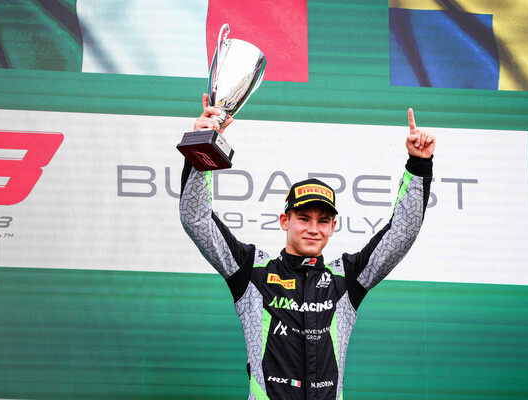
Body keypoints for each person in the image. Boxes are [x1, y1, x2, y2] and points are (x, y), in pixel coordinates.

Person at [179, 94, 435, 400]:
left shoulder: (347, 278)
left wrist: (419, 165)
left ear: (333, 227)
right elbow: (196, 219)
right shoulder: (252, 272)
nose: (314, 228)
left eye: (323, 220)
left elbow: (401, 233)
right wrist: (202, 146)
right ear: (284, 221)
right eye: (303, 218)